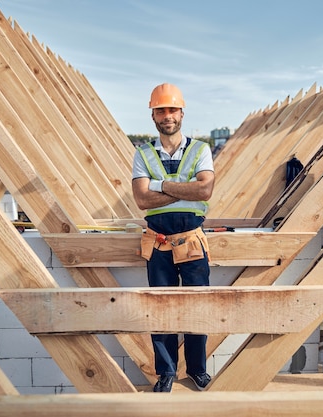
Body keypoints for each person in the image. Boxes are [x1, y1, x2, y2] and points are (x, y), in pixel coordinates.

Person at [132, 83, 215, 393]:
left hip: (191, 240)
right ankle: (166, 371)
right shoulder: (143, 152)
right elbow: (142, 200)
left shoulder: (200, 149)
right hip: (158, 242)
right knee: (161, 307)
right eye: (161, 110)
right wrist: (184, 188)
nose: (167, 116)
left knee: (198, 306)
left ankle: (197, 370)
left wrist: (161, 185)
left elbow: (204, 191)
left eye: (172, 110)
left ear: (182, 113)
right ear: (153, 115)